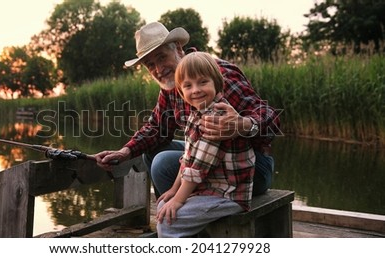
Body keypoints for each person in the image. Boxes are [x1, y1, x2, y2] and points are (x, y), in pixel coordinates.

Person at [95, 22, 280, 201]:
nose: (158, 69)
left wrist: (244, 125)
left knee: (163, 163)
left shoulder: (216, 73)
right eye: (150, 65)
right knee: (151, 152)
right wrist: (124, 152)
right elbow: (156, 128)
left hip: (251, 169)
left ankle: (180, 218)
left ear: (178, 48)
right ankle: (172, 213)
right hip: (213, 162)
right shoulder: (171, 87)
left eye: (161, 57)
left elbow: (270, 116)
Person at [155, 51, 255, 237]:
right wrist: (173, 191)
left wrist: (178, 200)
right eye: (188, 86)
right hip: (210, 189)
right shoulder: (196, 113)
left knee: (168, 222)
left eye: (203, 82)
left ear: (217, 84)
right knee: (163, 205)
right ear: (181, 92)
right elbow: (187, 158)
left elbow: (198, 169)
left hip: (229, 193)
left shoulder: (216, 117)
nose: (196, 90)